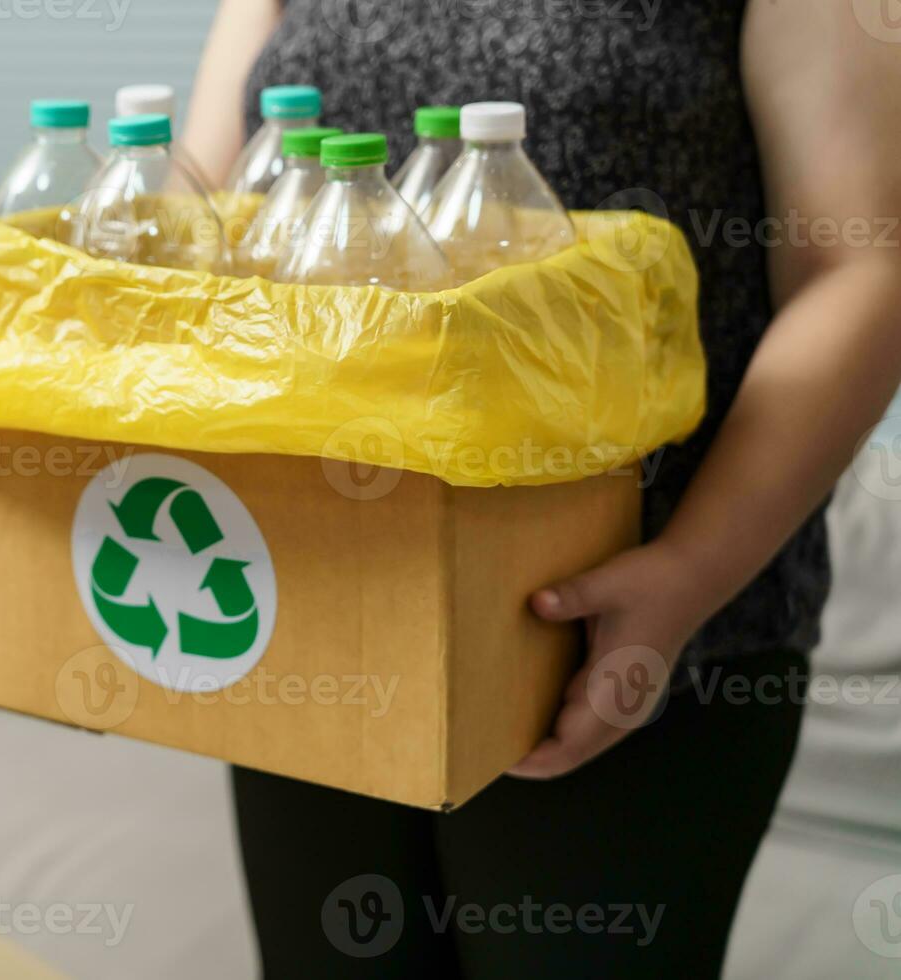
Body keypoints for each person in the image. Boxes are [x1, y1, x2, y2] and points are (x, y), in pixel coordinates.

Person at [181, 1, 901, 975]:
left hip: (621, 622)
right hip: (315, 602)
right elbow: (205, 224)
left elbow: (860, 265)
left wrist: (687, 573)